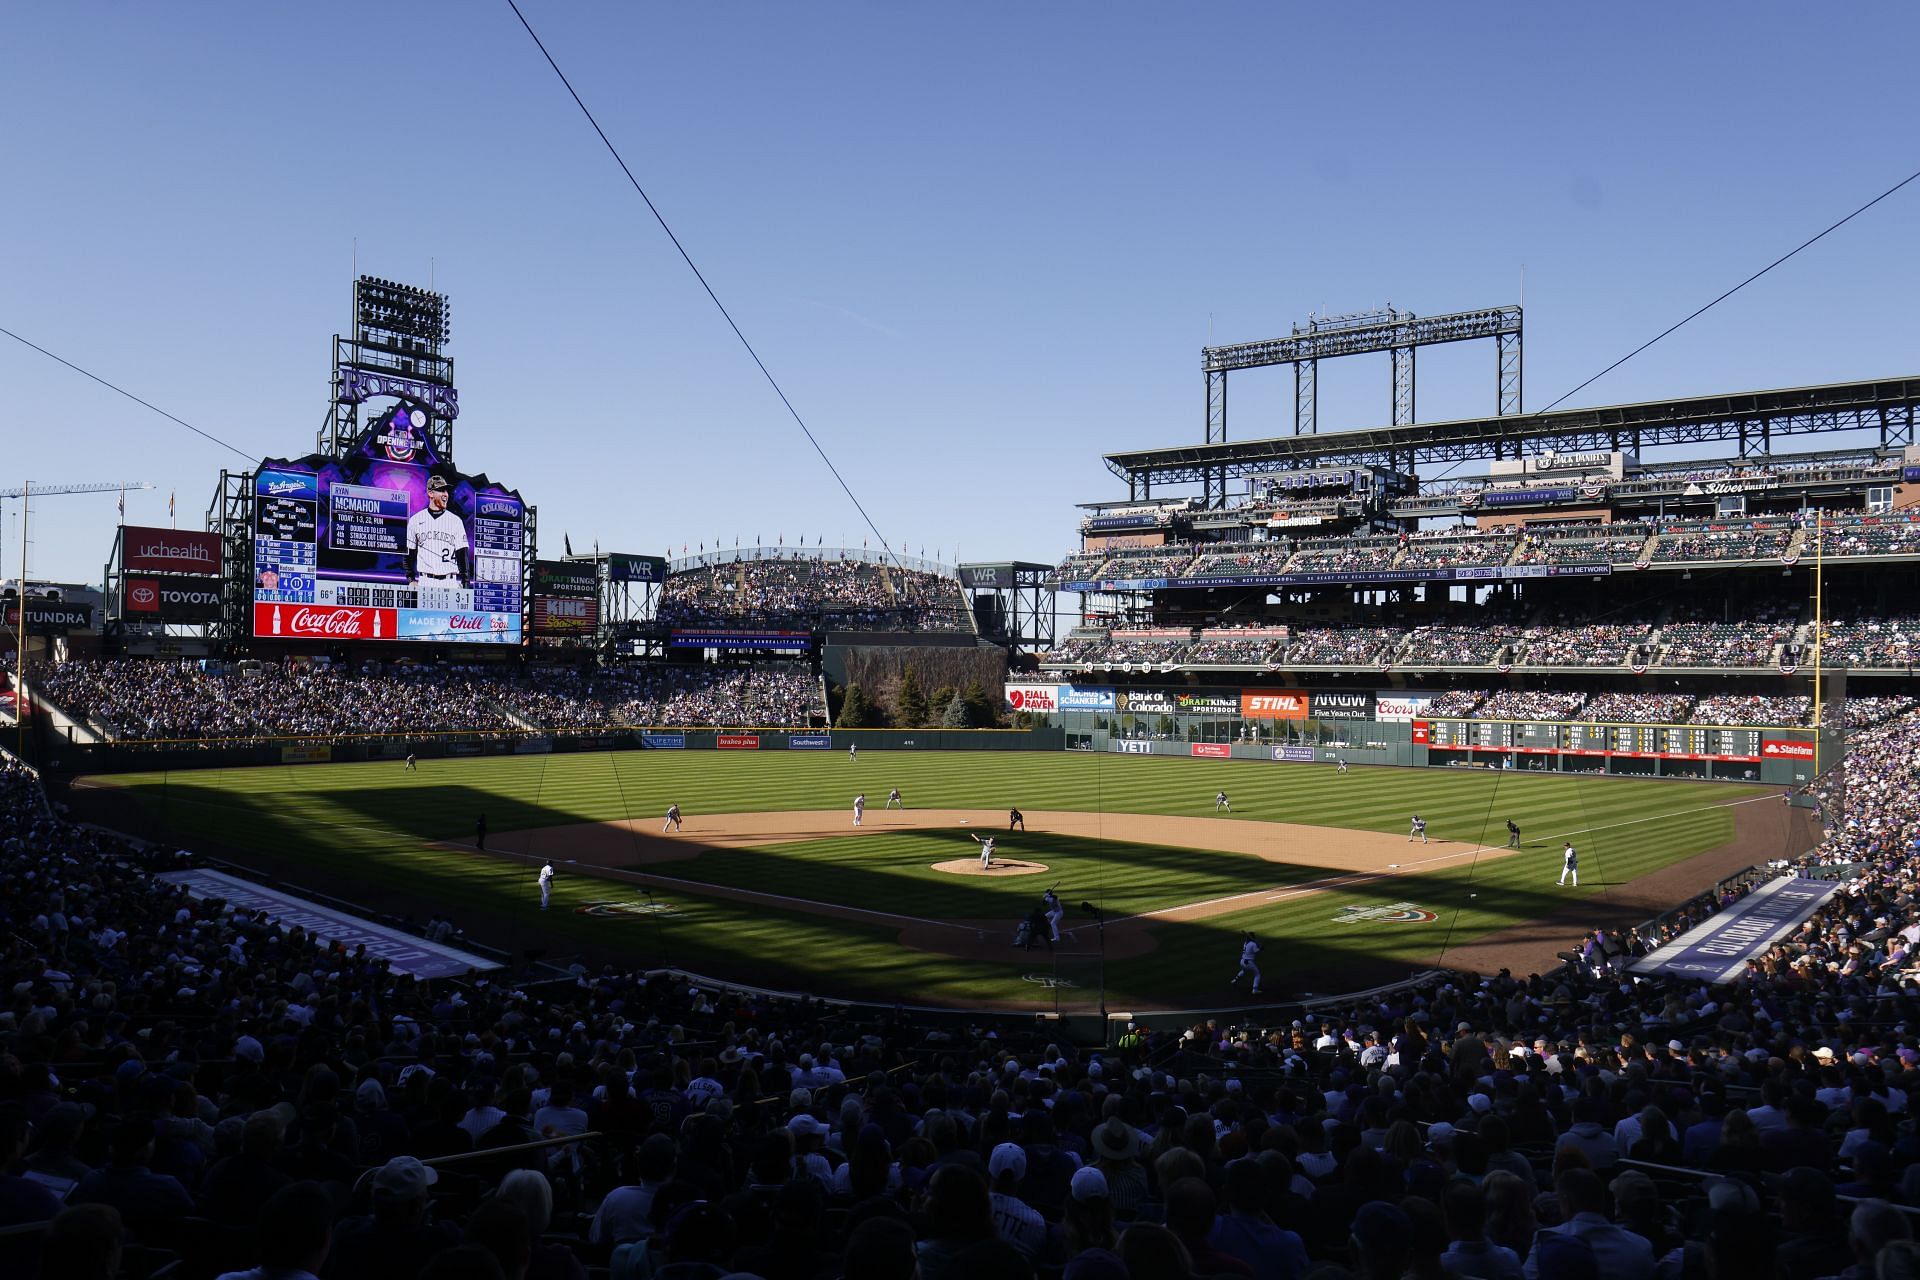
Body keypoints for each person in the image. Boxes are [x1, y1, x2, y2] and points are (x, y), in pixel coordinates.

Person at [408, 474, 471, 592]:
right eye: (441, 490)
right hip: (426, 580)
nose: (445, 494)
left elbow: (463, 555)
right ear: (430, 493)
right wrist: (411, 579)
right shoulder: (415, 520)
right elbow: (409, 554)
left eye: (446, 491)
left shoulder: (455, 521)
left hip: (450, 582)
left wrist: (466, 583)